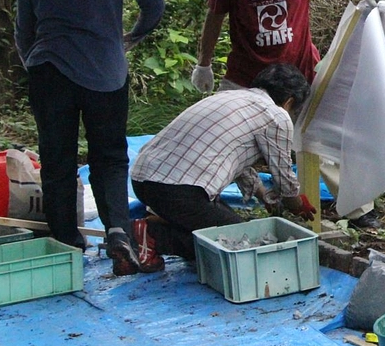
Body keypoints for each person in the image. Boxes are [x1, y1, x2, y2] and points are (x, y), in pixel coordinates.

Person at [191, 0, 385, 230]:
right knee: (222, 137)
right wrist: (204, 63)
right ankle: (216, 199)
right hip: (247, 76)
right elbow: (215, 15)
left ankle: (358, 209)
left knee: (322, 137)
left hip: (300, 73)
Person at [15, 0, 165, 276]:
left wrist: (35, 65)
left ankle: (66, 245)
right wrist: (132, 37)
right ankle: (118, 232)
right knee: (110, 156)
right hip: (105, 72)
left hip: (50, 70)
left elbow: (23, 29)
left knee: (57, 161)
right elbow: (154, 4)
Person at [130, 63, 318, 263]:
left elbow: (236, 160)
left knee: (226, 220)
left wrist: (263, 195)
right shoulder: (276, 115)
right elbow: (283, 173)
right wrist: (297, 204)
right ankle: (155, 235)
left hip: (142, 179)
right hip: (177, 190)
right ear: (289, 101)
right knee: (237, 244)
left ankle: (163, 222)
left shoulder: (230, 97)